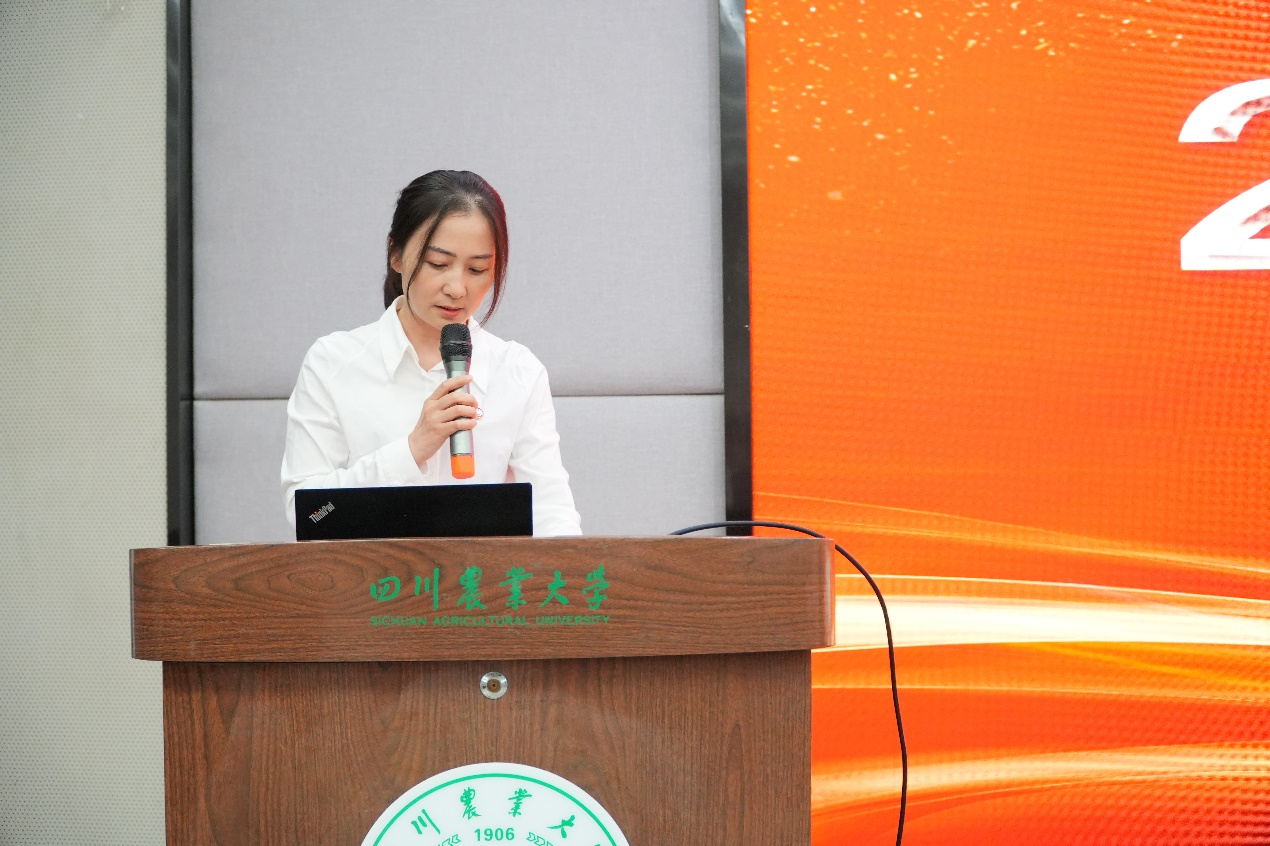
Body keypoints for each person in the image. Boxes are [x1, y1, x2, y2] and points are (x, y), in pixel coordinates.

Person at [281, 170, 582, 536]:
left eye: (477, 269)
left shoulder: (518, 372)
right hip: (374, 574)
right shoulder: (333, 364)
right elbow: (311, 515)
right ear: (396, 254)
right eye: (438, 264)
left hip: (479, 575)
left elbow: (553, 515)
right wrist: (411, 450)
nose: (457, 288)